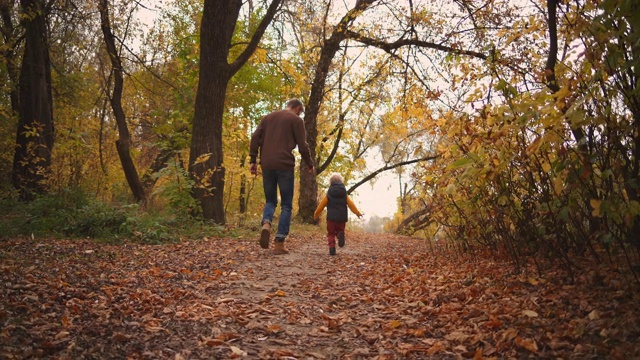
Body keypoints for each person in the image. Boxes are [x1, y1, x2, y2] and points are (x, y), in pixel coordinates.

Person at [250, 98, 315, 255]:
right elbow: (303, 145)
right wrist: (309, 163)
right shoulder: (296, 120)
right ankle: (279, 242)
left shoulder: (268, 117)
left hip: (266, 164)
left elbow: (254, 138)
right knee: (286, 204)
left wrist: (253, 160)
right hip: (285, 165)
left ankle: (266, 223)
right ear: (298, 108)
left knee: (270, 200)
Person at [313, 173, 363, 255]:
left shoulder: (329, 194)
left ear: (331, 182)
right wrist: (357, 213)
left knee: (331, 233)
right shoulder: (344, 194)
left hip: (331, 218)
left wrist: (316, 214)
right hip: (341, 218)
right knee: (340, 230)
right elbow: (351, 204)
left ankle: (332, 247)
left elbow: (321, 205)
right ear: (341, 182)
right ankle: (340, 235)